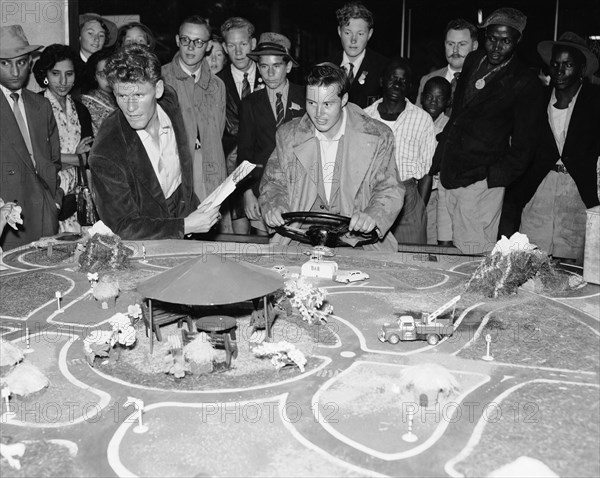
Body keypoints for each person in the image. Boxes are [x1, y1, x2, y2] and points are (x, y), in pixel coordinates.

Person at [429, 7, 544, 255]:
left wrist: (491, 179)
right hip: (449, 175)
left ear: (517, 41)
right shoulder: (473, 60)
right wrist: (440, 159)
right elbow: (458, 114)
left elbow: (525, 148)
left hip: (480, 183)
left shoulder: (525, 82)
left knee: (473, 257)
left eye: (505, 41)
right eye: (492, 39)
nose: (496, 47)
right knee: (444, 250)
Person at [259, 62, 404, 252]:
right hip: (299, 239)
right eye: (311, 103)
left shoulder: (378, 136)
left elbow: (389, 188)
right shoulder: (288, 136)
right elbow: (273, 183)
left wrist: (373, 215)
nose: (318, 114)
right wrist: (275, 205)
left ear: (344, 99)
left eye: (327, 104)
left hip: (359, 242)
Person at [88, 45, 221, 240]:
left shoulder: (170, 101)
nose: (131, 107)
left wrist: (196, 210)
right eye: (122, 96)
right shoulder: (106, 151)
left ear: (158, 90)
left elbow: (180, 178)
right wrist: (186, 225)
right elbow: (122, 226)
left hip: (187, 228)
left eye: (139, 95)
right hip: (142, 248)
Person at [513, 32, 600, 264]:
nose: (560, 71)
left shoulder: (595, 102)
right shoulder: (536, 100)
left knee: (574, 269)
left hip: (578, 194)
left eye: (568, 65)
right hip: (538, 191)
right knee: (530, 261)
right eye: (555, 64)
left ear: (581, 69)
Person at [162, 15, 231, 233]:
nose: (191, 47)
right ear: (177, 40)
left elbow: (218, 132)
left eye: (198, 42)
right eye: (185, 40)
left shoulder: (217, 86)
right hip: (175, 171)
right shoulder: (161, 79)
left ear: (209, 46)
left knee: (212, 235)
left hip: (210, 168)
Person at [237, 33, 306, 235]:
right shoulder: (250, 103)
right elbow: (244, 154)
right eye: (264, 66)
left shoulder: (306, 97)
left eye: (276, 66)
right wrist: (247, 192)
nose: (270, 73)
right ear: (258, 67)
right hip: (262, 190)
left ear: (289, 66)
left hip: (299, 189)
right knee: (264, 251)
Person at [0, 25, 61, 250]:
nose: (15, 72)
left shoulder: (41, 105)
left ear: (30, 63)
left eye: (22, 62)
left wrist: (55, 200)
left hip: (44, 216)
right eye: (4, 63)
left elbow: (54, 161)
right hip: (9, 222)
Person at [364, 58, 436, 245]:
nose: (397, 84)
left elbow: (427, 172)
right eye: (392, 78)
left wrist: (418, 207)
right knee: (372, 256)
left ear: (410, 86)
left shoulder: (422, 119)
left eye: (403, 81)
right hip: (373, 195)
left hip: (408, 195)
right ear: (381, 81)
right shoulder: (365, 117)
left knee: (412, 257)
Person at [32, 44, 94, 233]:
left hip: (77, 197)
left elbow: (90, 157)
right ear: (45, 75)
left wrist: (75, 159)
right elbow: (36, 157)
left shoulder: (81, 110)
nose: (63, 81)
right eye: (55, 73)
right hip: (45, 192)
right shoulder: (33, 106)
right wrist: (77, 159)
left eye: (69, 74)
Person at [217, 17, 260, 234]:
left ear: (252, 43)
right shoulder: (216, 83)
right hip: (231, 166)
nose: (239, 51)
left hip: (267, 165)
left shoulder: (271, 74)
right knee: (239, 233)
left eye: (243, 44)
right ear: (224, 47)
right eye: (232, 45)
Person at [327, 1, 388, 108]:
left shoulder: (383, 68)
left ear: (369, 34)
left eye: (360, 34)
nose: (353, 40)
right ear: (339, 32)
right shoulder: (326, 66)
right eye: (347, 33)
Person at [416, 18, 478, 114]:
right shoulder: (428, 79)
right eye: (450, 44)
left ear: (474, 46)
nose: (455, 50)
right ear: (444, 45)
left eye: (462, 44)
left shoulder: (482, 79)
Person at [420, 77, 453, 246]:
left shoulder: (449, 127)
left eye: (439, 98)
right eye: (430, 96)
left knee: (431, 241)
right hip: (412, 192)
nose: (433, 102)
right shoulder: (414, 121)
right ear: (421, 97)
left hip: (435, 194)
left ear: (448, 101)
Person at [80, 48, 118, 136]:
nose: (108, 78)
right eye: (102, 74)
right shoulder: (88, 103)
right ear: (94, 76)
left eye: (112, 72)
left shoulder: (124, 98)